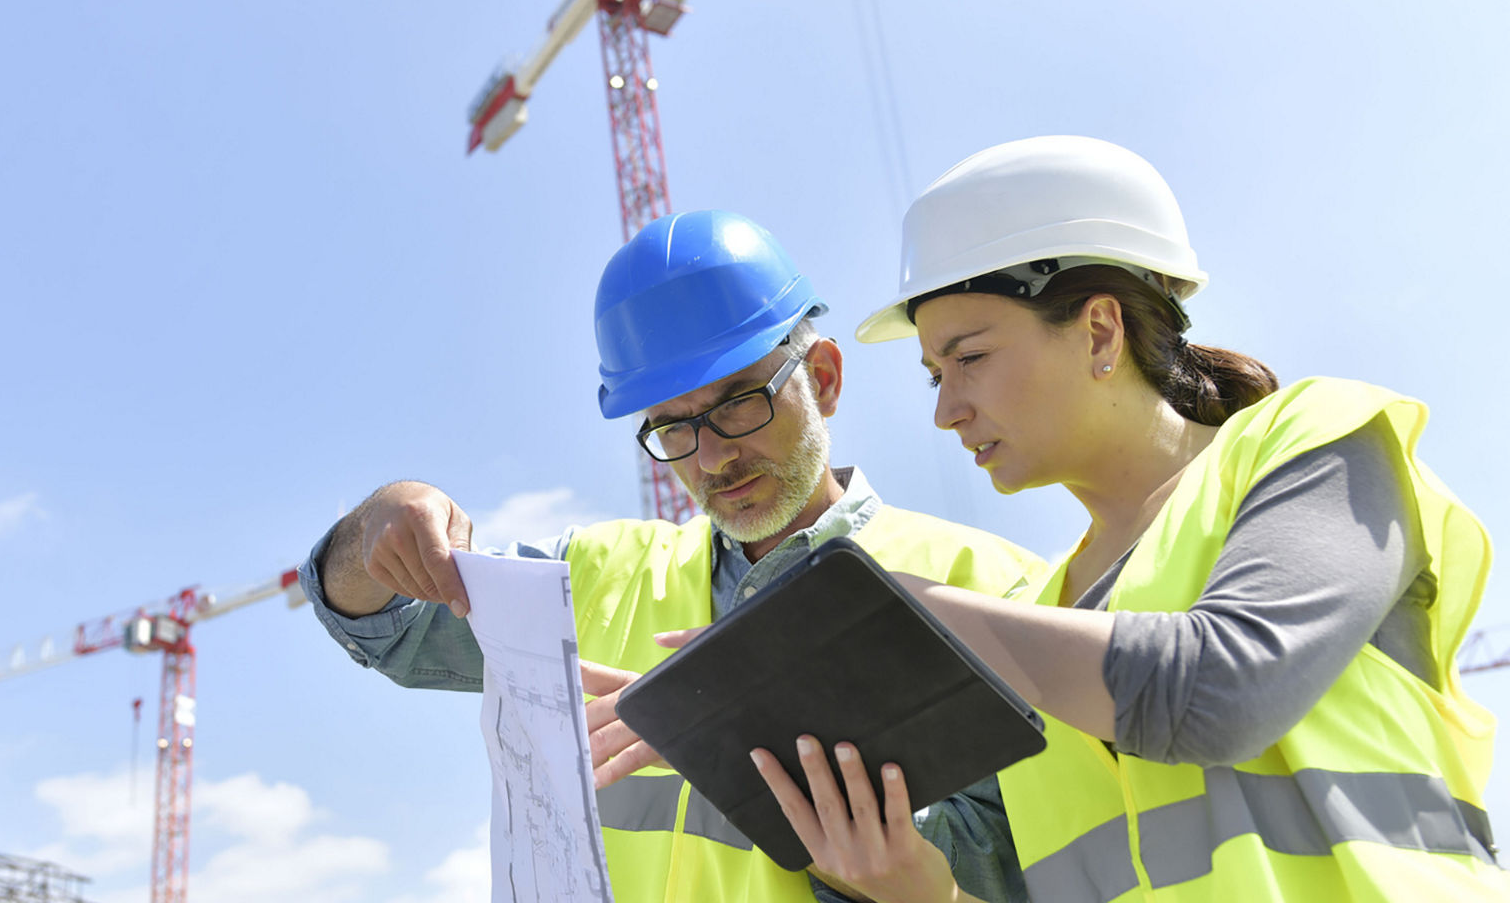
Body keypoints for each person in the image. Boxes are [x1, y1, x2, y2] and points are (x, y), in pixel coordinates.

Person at [750, 135, 1503, 901]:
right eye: (935, 376)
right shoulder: (1038, 618)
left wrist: (909, 608)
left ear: (1100, 331)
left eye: (969, 358)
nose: (946, 411)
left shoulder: (1314, 442)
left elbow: (1222, 690)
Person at [301, 209, 1045, 903]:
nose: (714, 455)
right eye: (673, 427)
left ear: (822, 378)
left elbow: (1032, 863)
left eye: (738, 402)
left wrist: (807, 804)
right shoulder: (594, 576)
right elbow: (388, 626)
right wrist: (376, 526)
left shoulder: (990, 586)